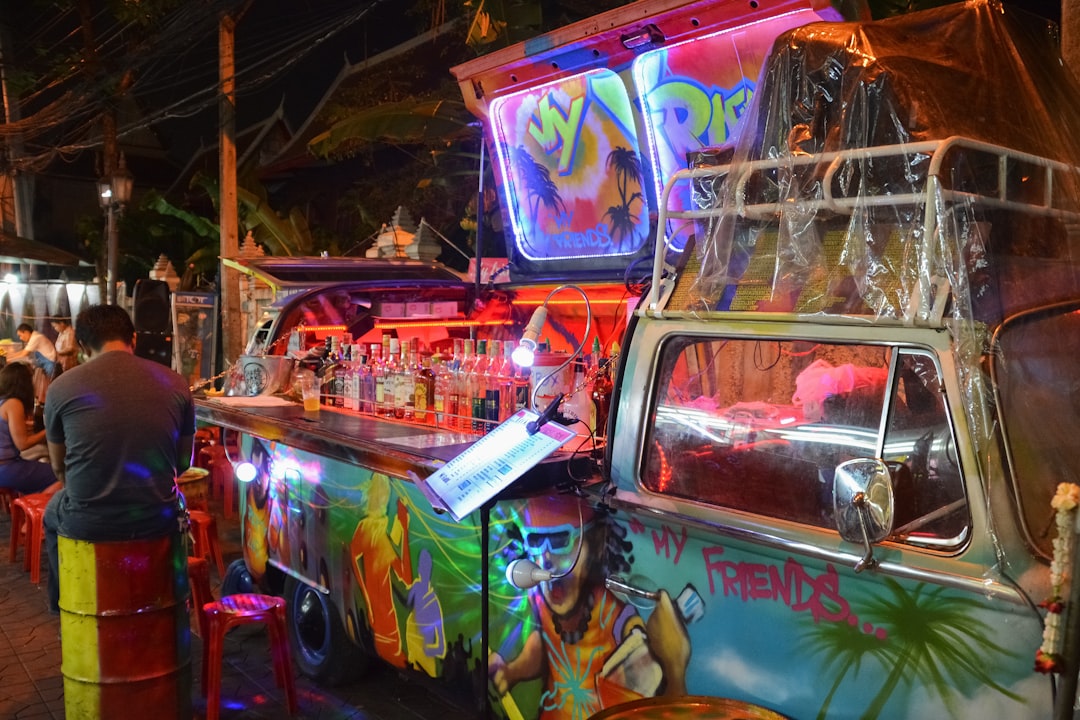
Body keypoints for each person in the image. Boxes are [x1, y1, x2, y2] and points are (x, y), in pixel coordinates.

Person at [43, 304, 195, 614]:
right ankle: (178, 602)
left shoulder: (60, 388)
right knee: (180, 509)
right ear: (134, 339)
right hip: (157, 516)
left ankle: (66, 609)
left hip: (89, 520)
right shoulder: (176, 383)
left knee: (52, 511)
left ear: (83, 347)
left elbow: (60, 469)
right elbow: (182, 465)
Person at [0, 362, 58, 494]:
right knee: (63, 475)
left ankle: (26, 504)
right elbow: (22, 444)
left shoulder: (3, 401)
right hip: (6, 468)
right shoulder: (14, 403)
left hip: (6, 467)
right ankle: (38, 508)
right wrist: (48, 431)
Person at [7, 322, 59, 406]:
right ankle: (42, 400)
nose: (21, 338)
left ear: (26, 332)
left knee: (51, 386)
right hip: (44, 362)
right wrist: (9, 356)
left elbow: (24, 353)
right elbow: (24, 353)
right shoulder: (34, 336)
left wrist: (9, 358)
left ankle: (51, 404)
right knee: (44, 384)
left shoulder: (36, 338)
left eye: (21, 335)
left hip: (49, 362)